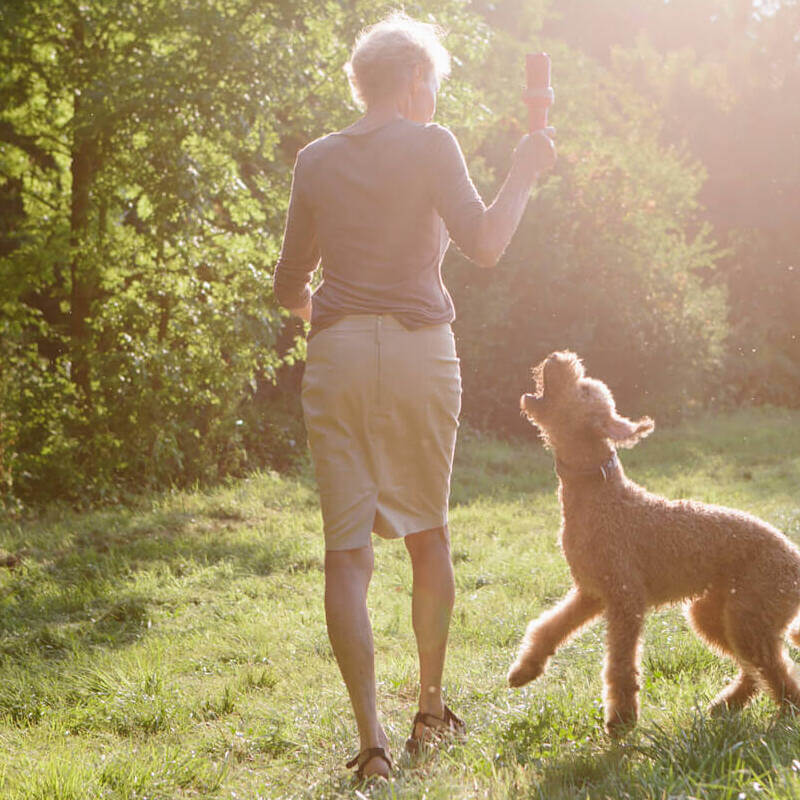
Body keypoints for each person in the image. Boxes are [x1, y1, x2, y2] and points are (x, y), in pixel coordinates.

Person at [273, 12, 556, 781]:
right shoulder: (433, 144)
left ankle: (371, 745)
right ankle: (429, 711)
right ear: (411, 82)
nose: (432, 96)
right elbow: (488, 244)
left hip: (334, 357)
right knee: (428, 533)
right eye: (431, 81)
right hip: (418, 353)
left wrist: (334, 319)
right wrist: (527, 167)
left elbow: (287, 285)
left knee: (346, 551)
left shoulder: (315, 160)